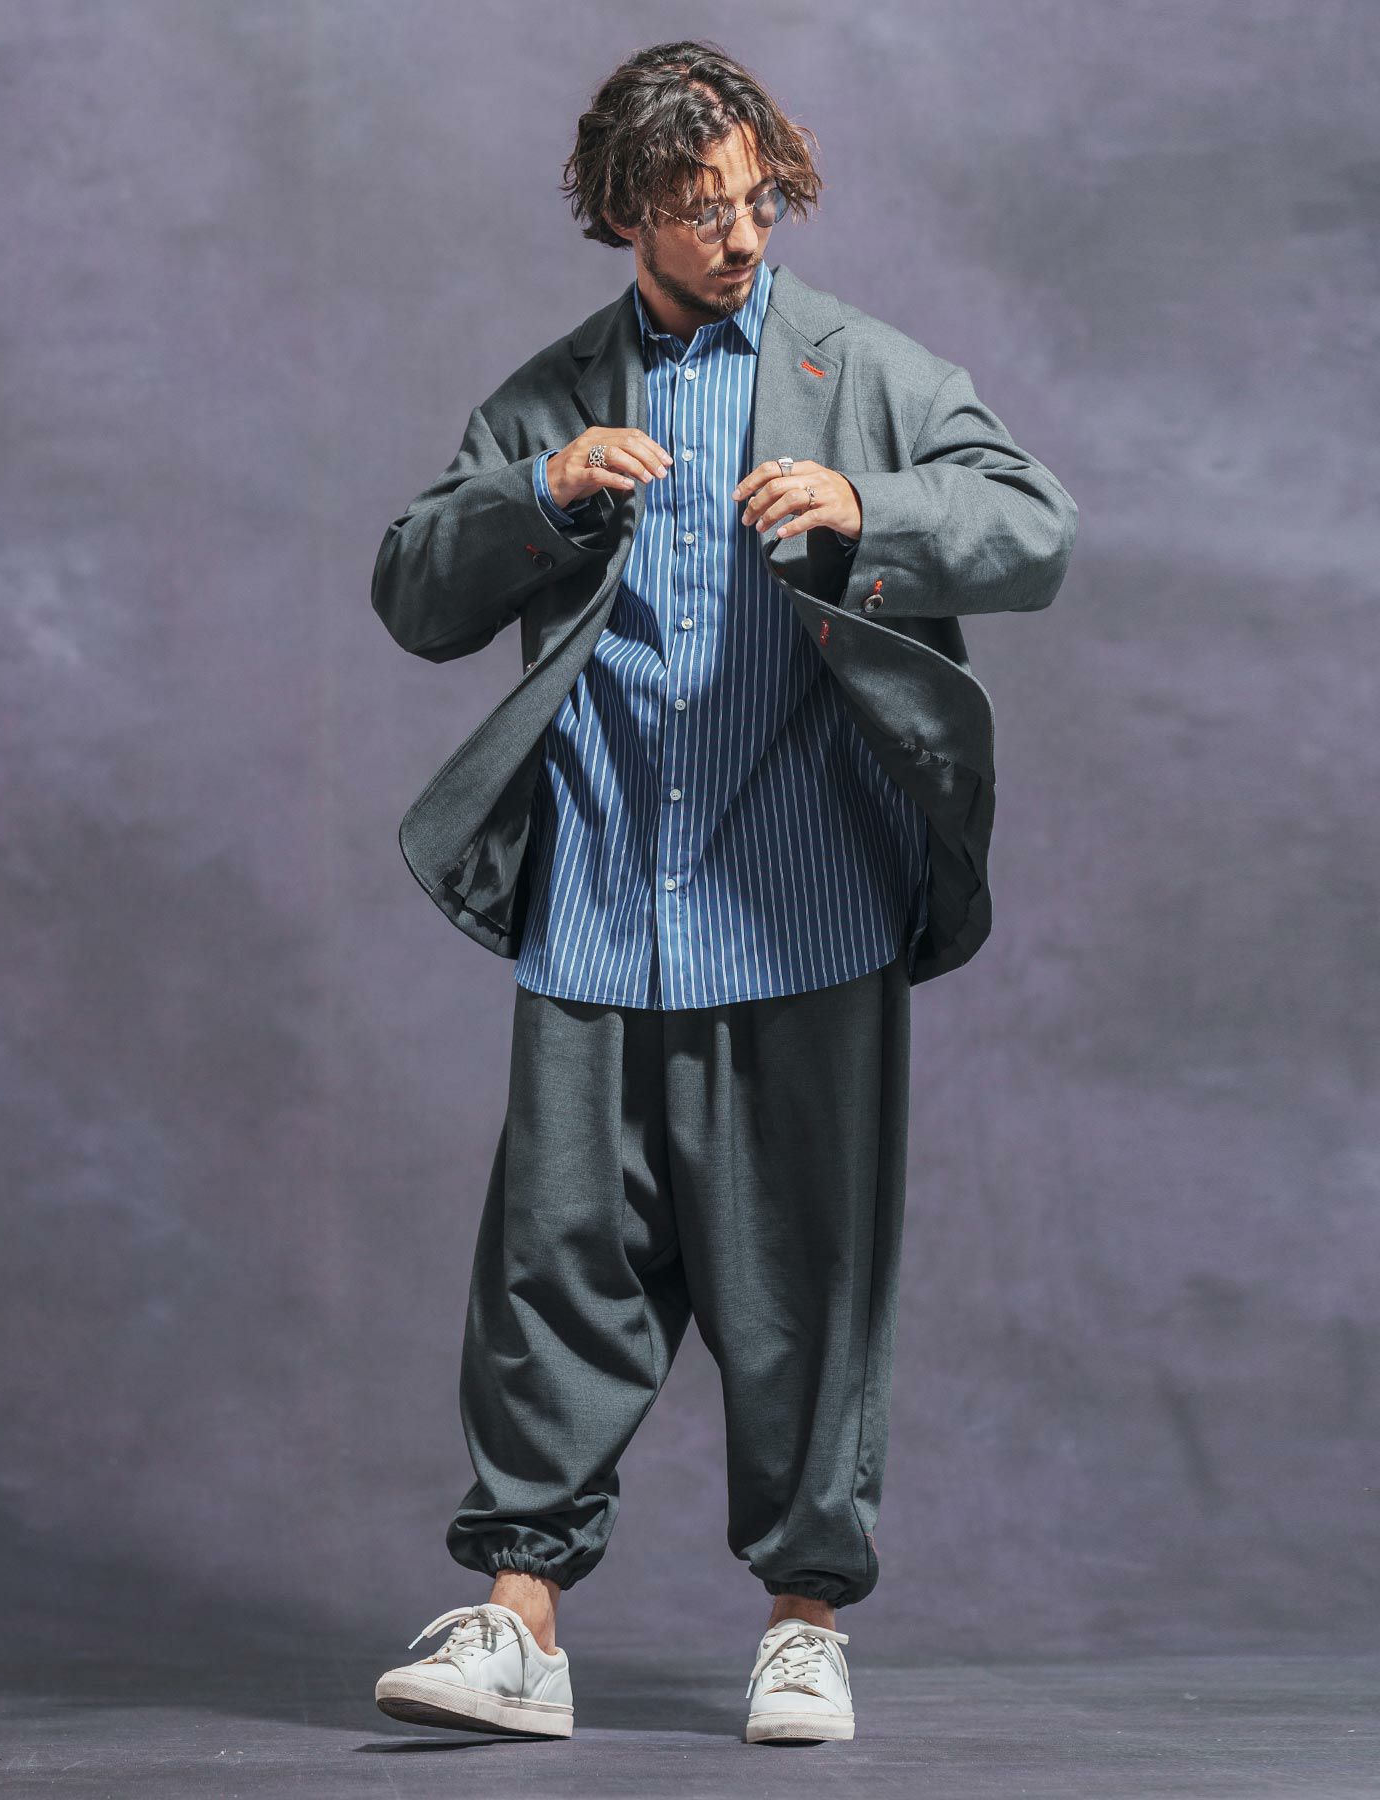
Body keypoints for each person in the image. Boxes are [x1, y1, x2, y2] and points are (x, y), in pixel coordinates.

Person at [369, 38, 1077, 1746]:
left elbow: (1036, 526)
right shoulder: (552, 396)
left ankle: (804, 1626)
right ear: (629, 209)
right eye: (701, 209)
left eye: (759, 201)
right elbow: (412, 589)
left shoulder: (864, 371)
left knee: (808, 1280)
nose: (741, 235)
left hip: (804, 909)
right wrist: (539, 495)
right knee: (553, 1269)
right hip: (599, 907)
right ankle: (519, 1624)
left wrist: (868, 505)